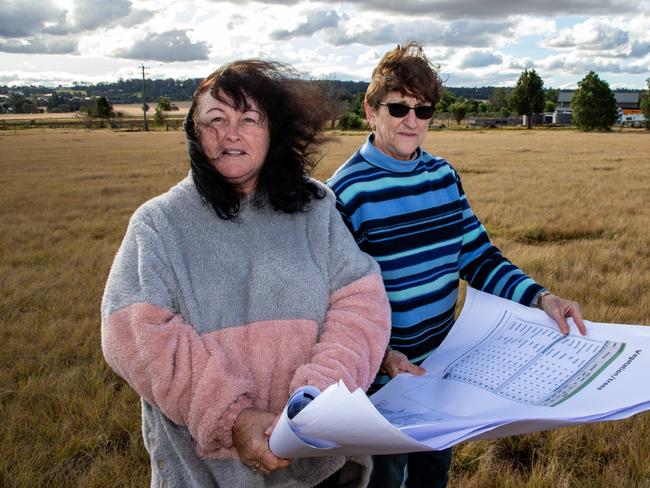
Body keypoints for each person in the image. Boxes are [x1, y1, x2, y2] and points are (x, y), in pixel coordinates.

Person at [101, 59, 392, 487]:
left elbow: (362, 305)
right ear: (195, 134)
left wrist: (315, 399)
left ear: (272, 130)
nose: (231, 133)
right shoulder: (159, 224)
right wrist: (232, 417)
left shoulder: (315, 207)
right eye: (215, 120)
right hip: (207, 474)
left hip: (321, 468)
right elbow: (134, 333)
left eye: (248, 119)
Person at [326, 42, 587, 488]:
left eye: (423, 111)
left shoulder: (443, 177)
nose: (412, 121)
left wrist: (541, 297)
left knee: (433, 478)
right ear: (371, 111)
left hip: (440, 372)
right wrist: (382, 357)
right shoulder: (345, 192)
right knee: (384, 480)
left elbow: (479, 257)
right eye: (398, 107)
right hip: (380, 385)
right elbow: (332, 302)